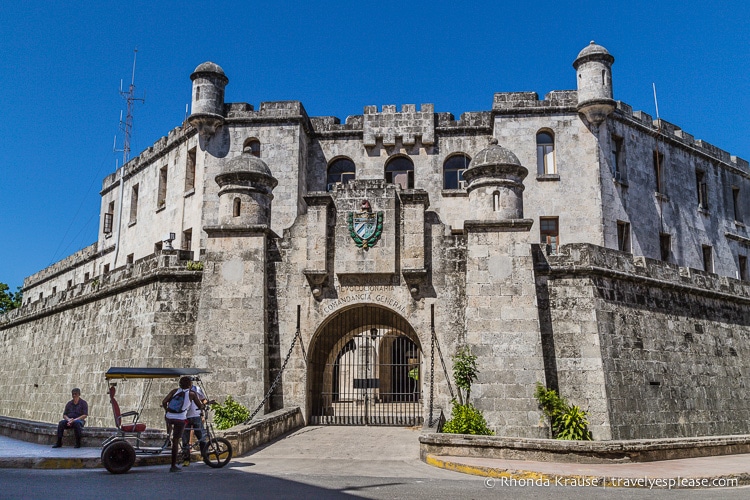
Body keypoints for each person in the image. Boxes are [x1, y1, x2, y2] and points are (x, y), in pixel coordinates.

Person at [162, 376, 205, 472]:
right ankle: (173, 466)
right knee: (176, 441)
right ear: (190, 385)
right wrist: (204, 407)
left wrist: (167, 410)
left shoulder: (174, 391)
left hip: (169, 417)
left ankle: (168, 437)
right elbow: (200, 405)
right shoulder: (192, 394)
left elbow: (164, 401)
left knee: (169, 423)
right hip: (180, 418)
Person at [182, 380, 208, 467]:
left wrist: (205, 404)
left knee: (201, 437)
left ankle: (205, 457)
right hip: (186, 416)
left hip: (196, 415)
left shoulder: (197, 389)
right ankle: (186, 459)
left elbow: (203, 399)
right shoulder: (182, 391)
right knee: (185, 440)